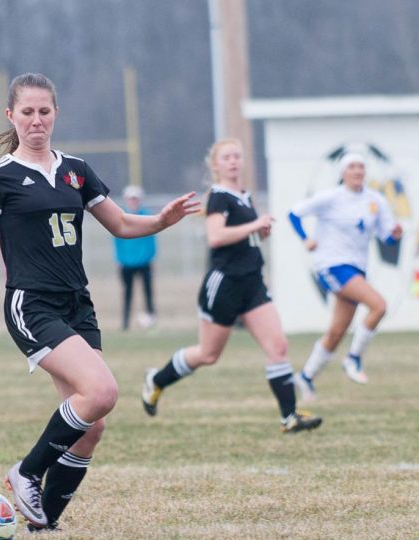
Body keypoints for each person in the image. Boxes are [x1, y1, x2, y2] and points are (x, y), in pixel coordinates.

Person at [0, 73, 199, 531]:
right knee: (102, 392)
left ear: (56, 113)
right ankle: (26, 471)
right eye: (27, 112)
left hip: (77, 304)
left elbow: (119, 224)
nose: (36, 120)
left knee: (92, 425)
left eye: (44, 111)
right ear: (11, 116)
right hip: (32, 305)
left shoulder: (75, 169)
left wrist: (162, 220)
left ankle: (46, 524)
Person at [141, 138, 322, 434]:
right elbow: (216, 237)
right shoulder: (219, 196)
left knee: (278, 346)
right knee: (208, 355)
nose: (234, 161)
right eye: (227, 157)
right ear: (216, 164)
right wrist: (254, 225)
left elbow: (243, 236)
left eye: (238, 156)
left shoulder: (244, 195)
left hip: (252, 281)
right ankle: (157, 380)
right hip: (223, 285)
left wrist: (259, 233)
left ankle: (289, 417)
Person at [288, 152, 403, 399]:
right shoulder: (331, 197)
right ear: (342, 172)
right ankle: (353, 358)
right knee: (379, 306)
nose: (357, 171)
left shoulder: (375, 200)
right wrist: (306, 239)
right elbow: (294, 213)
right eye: (352, 167)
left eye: (361, 167)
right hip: (331, 265)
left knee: (337, 331)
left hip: (356, 267)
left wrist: (395, 234)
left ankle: (306, 377)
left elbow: (387, 238)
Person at [113, 185, 157, 330]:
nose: (133, 201)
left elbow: (151, 241)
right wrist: (119, 260)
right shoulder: (120, 217)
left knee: (148, 293)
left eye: (135, 199)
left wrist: (149, 257)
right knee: (127, 293)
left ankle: (151, 320)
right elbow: (117, 242)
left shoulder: (146, 215)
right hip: (126, 263)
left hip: (144, 262)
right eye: (131, 199)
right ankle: (125, 323)